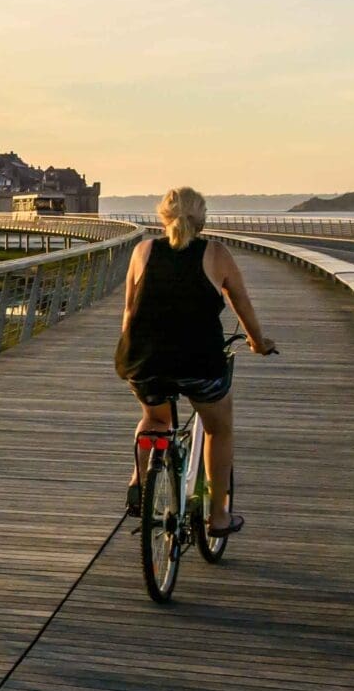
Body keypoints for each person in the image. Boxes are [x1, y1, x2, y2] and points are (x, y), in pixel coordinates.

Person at [116, 187, 275, 533]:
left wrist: (133, 351)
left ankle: (139, 480)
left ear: (163, 216)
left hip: (144, 360)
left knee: (154, 418)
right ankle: (217, 516)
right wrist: (258, 342)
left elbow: (129, 312)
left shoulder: (143, 251)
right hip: (199, 361)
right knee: (218, 428)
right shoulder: (216, 253)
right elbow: (242, 304)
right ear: (202, 219)